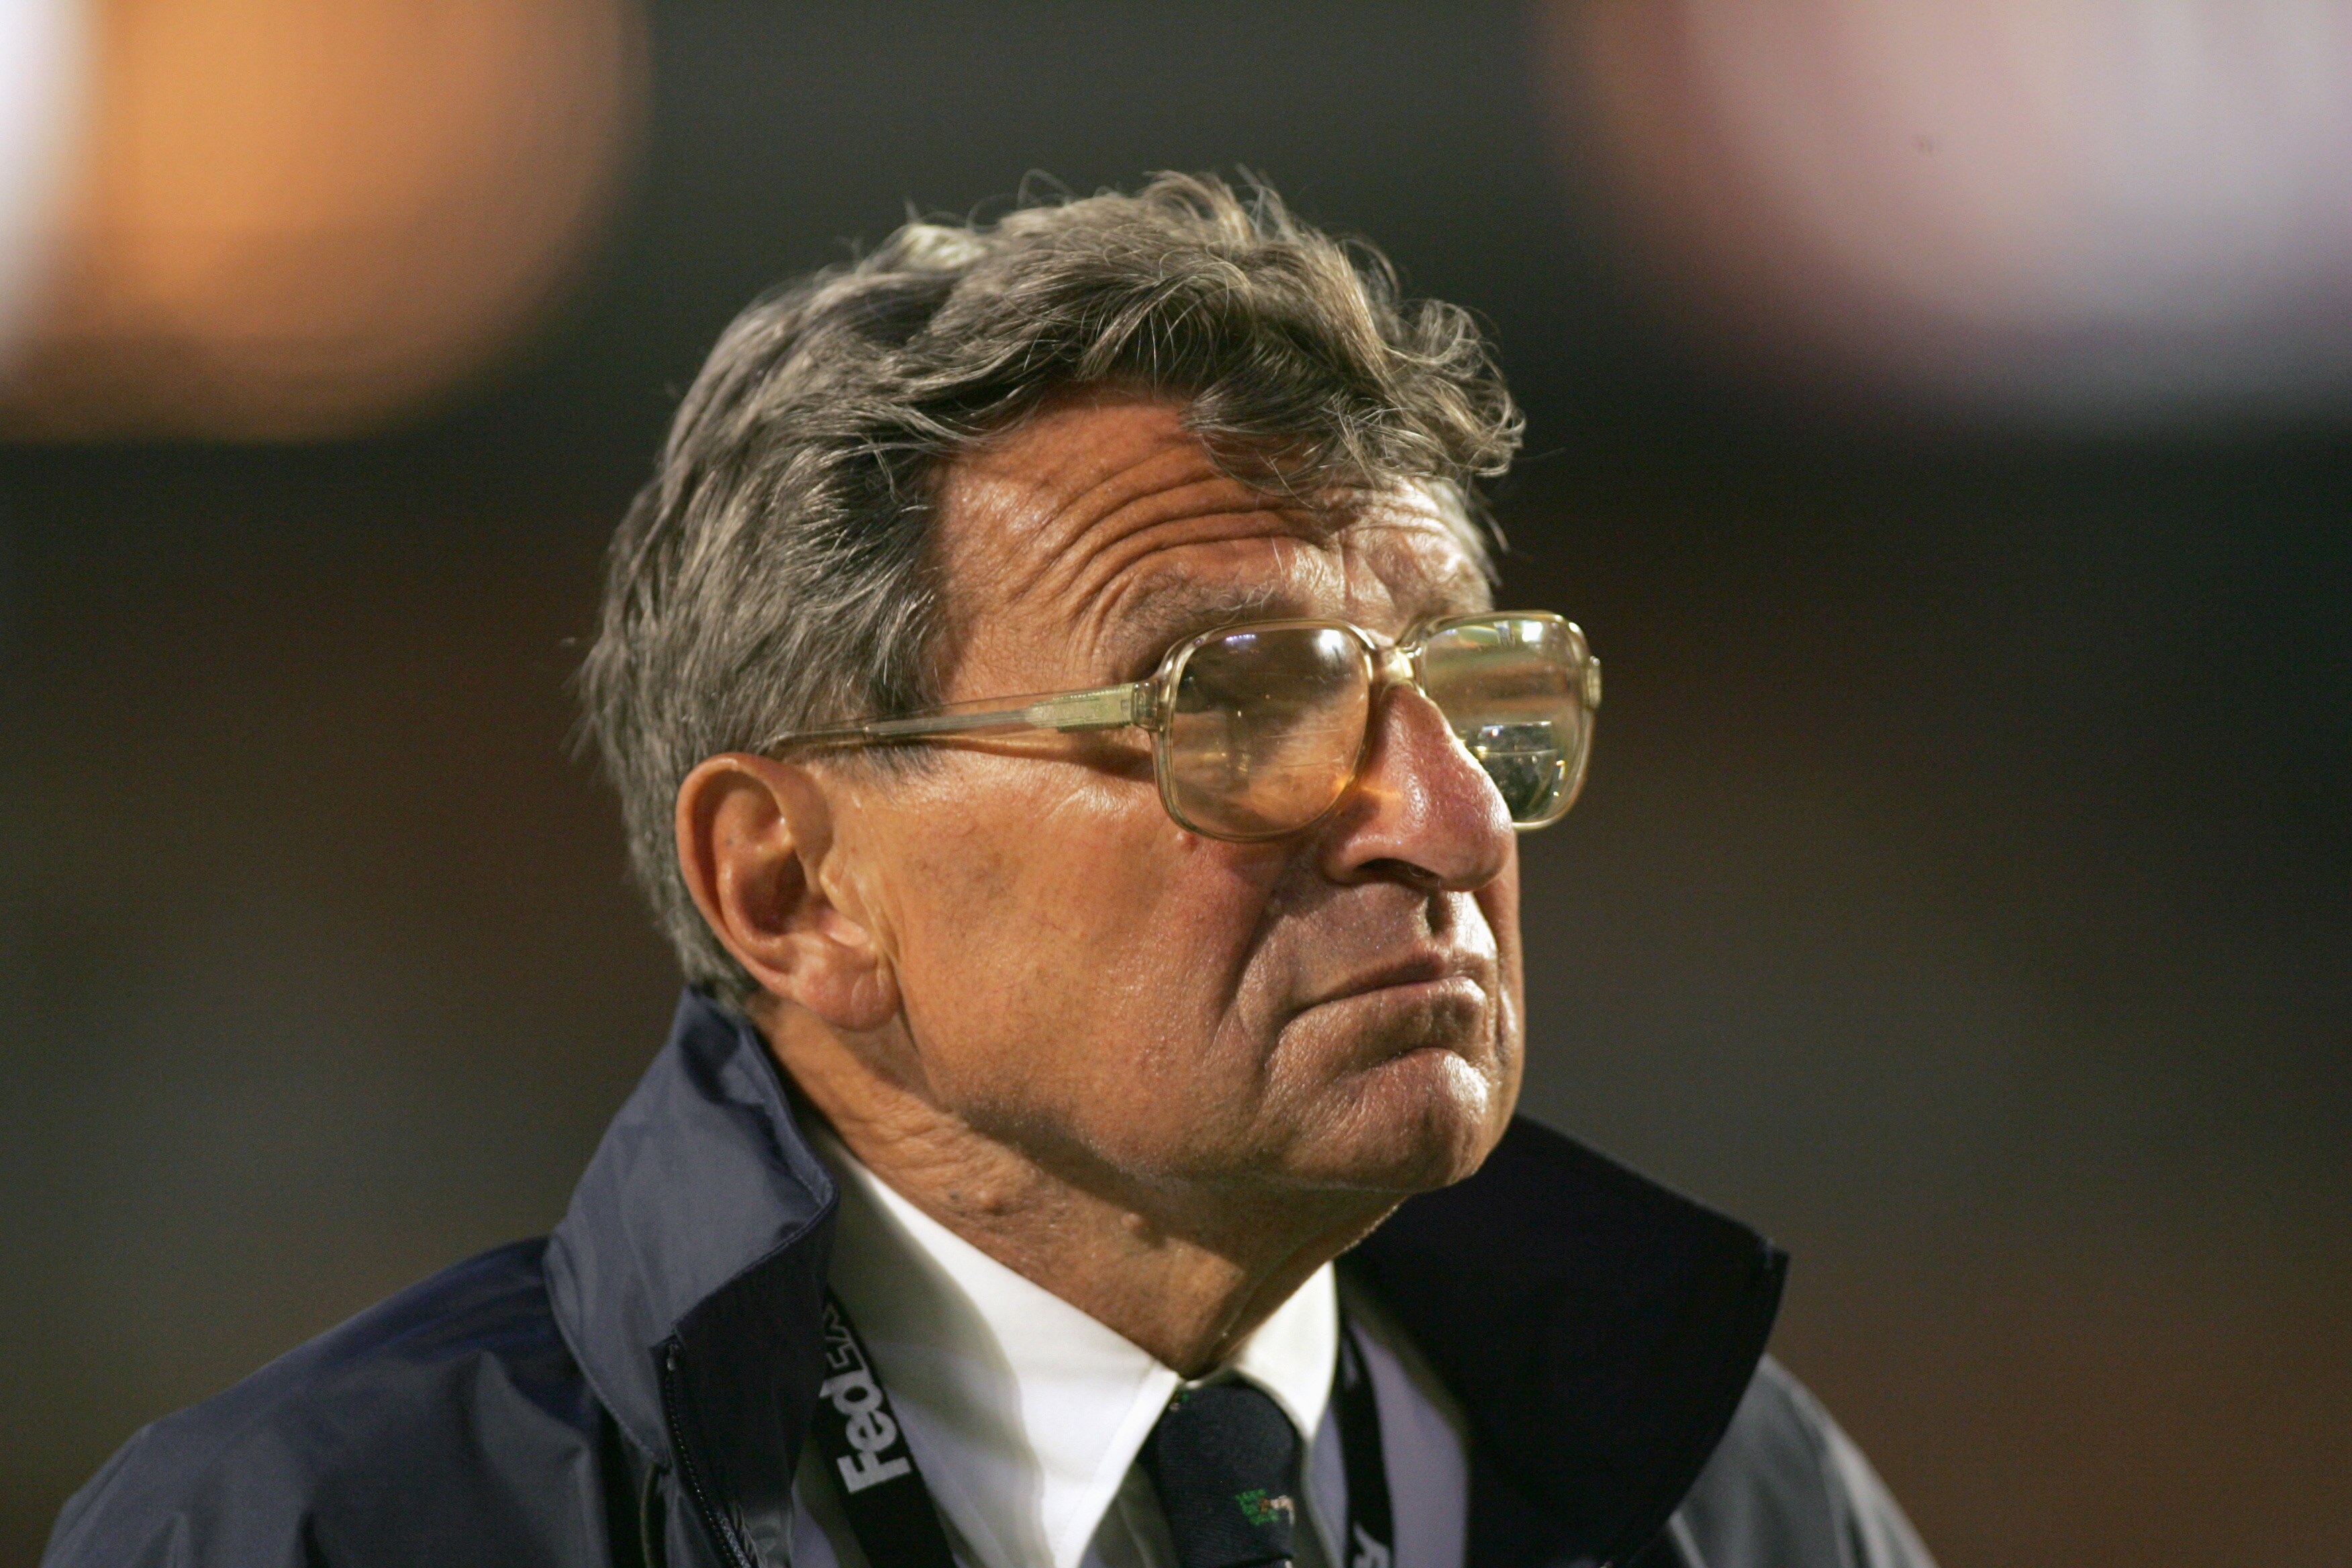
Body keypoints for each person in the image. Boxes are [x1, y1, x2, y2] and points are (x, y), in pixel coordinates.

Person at [45, 175, 1933, 1568]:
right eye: (1242, 709)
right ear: (793, 890)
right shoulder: (330, 1532)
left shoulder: (1750, 1508)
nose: (1449, 824)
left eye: (1469, 696)